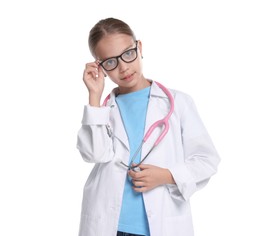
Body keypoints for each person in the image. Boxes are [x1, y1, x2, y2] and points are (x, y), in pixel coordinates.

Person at [77, 17, 220, 236]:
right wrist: (94, 96)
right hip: (108, 225)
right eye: (110, 62)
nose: (123, 67)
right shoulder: (104, 109)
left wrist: (167, 175)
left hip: (161, 225)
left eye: (128, 53)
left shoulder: (178, 103)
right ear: (100, 67)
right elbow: (93, 154)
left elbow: (207, 160)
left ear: (139, 47)